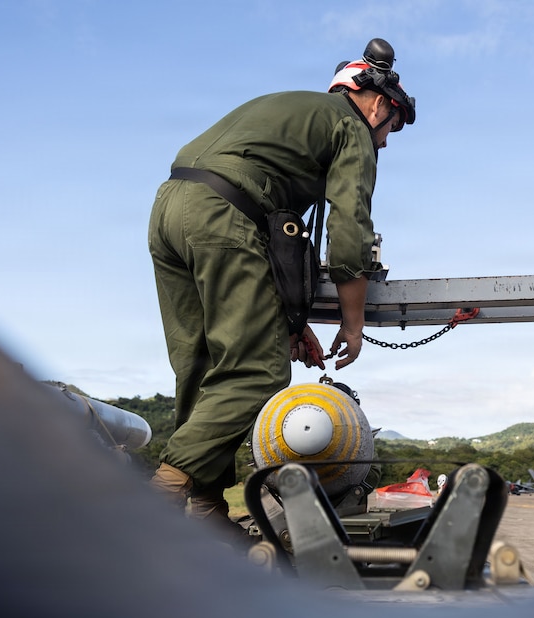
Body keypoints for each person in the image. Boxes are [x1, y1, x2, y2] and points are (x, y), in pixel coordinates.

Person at [146, 39, 416, 544]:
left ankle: (205, 514)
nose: (384, 143)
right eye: (390, 131)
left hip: (172, 209)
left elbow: (273, 236)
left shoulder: (292, 111)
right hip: (226, 217)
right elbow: (349, 232)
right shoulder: (351, 126)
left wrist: (292, 323)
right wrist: (353, 325)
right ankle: (150, 509)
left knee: (203, 367)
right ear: (379, 105)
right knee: (259, 371)